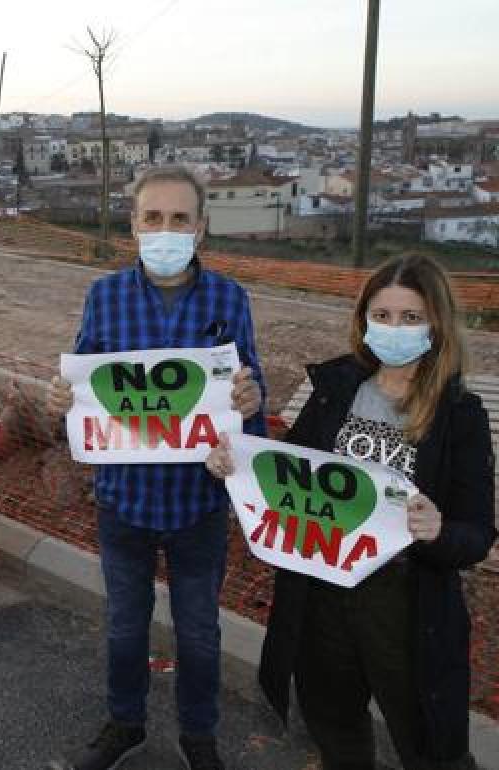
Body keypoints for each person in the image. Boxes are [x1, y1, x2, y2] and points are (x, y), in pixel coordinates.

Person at [205, 254, 495, 770]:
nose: (394, 329)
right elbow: (281, 471)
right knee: (334, 727)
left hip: (405, 607)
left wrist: (438, 531)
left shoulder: (460, 416)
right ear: (363, 319)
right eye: (382, 316)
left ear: (437, 325)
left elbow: (476, 535)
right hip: (323, 597)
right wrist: (233, 462)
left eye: (411, 318)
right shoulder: (335, 393)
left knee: (429, 746)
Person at [45, 165, 266, 770]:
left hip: (197, 505)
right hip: (124, 503)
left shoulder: (230, 299)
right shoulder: (105, 297)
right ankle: (125, 723)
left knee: (198, 634)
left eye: (179, 219)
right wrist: (61, 399)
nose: (164, 230)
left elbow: (251, 386)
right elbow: (82, 382)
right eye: (152, 218)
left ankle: (200, 736)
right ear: (132, 225)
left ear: (201, 229)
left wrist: (251, 403)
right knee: (123, 628)